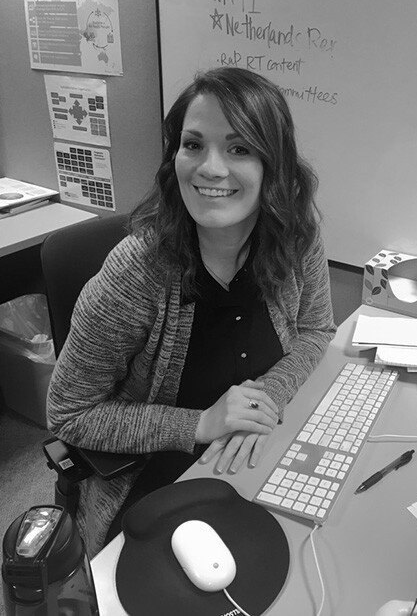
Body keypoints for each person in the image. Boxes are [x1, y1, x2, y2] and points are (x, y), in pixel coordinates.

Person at [47, 66, 336, 557]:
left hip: (261, 448)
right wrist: (200, 423)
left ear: (274, 164)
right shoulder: (136, 273)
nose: (210, 168)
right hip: (159, 480)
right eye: (193, 144)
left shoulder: (294, 238)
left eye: (239, 148)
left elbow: (315, 330)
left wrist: (263, 397)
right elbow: (69, 414)